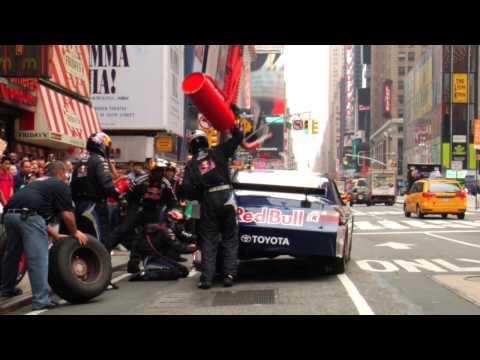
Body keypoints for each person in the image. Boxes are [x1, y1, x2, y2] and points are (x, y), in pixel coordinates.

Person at [0, 161, 88, 310]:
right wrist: (74, 232)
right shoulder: (60, 185)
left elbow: (38, 218)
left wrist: (55, 235)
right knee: (38, 258)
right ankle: (41, 300)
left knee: (12, 254)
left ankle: (6, 289)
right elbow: (67, 214)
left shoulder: (38, 182)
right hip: (28, 216)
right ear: (61, 173)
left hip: (9, 215)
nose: (67, 177)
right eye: (67, 173)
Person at [179, 123, 244, 289]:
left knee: (209, 240)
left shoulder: (192, 164)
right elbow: (237, 139)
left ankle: (207, 279)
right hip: (227, 196)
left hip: (209, 199)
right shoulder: (218, 151)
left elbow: (186, 188)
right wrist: (234, 125)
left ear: (192, 146)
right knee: (230, 237)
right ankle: (229, 275)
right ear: (206, 141)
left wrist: (199, 196)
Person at [109, 159, 177, 273]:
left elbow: (173, 201)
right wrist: (125, 206)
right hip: (137, 209)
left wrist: (171, 212)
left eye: (161, 171)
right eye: (156, 171)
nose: (158, 174)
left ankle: (141, 261)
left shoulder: (165, 183)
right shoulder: (141, 180)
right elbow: (127, 194)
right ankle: (104, 251)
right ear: (151, 170)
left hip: (153, 212)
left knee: (150, 236)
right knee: (123, 229)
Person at [70, 132, 119, 249]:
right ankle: (102, 266)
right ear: (101, 144)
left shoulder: (80, 162)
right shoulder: (100, 160)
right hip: (94, 206)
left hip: (78, 206)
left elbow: (72, 185)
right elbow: (106, 184)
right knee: (101, 241)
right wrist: (119, 196)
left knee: (82, 241)